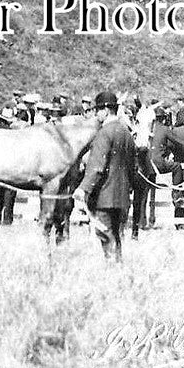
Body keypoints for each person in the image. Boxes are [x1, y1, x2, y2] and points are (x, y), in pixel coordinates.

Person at [79, 91, 136, 261]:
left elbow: (97, 166)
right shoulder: (126, 132)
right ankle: (117, 267)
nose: (96, 114)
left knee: (105, 234)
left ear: (105, 110)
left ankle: (111, 270)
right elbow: (133, 166)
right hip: (122, 196)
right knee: (117, 236)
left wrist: (83, 188)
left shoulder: (104, 133)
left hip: (104, 195)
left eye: (97, 110)